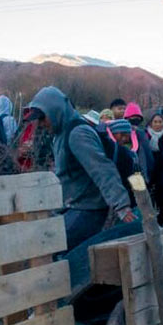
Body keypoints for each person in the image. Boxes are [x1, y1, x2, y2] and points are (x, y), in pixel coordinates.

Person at [24, 86, 134, 250]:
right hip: (74, 207)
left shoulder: (77, 134)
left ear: (55, 110)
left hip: (88, 210)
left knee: (53, 247)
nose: (40, 123)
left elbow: (102, 170)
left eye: (42, 118)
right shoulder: (60, 134)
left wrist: (122, 206)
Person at [124, 102, 154, 183]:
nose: (136, 119)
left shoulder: (142, 133)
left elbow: (147, 155)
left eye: (137, 117)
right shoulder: (123, 133)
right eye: (133, 117)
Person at [146, 113, 163, 213]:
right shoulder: (145, 135)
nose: (158, 124)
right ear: (151, 123)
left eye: (160, 122)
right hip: (149, 173)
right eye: (155, 122)